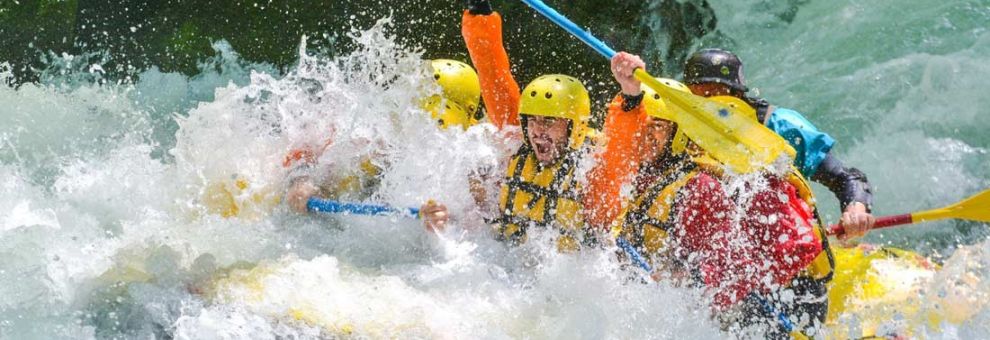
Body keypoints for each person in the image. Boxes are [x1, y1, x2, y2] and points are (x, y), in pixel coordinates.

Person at [594, 52, 835, 338]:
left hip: (786, 299)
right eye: (699, 96)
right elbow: (616, 151)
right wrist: (630, 94)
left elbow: (742, 266)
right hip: (729, 296)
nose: (706, 103)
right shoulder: (653, 172)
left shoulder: (712, 178)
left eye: (656, 127)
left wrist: (688, 279)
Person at [420, 0, 603, 251]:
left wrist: (631, 97)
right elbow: (494, 76)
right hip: (503, 265)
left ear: (575, 127)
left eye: (549, 121)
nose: (538, 129)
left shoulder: (595, 165)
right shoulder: (516, 143)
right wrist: (442, 222)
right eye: (533, 120)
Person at [683, 48, 875, 243]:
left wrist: (856, 209)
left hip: (781, 241)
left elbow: (846, 178)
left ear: (737, 94)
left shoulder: (780, 126)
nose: (707, 105)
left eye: (714, 93)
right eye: (697, 97)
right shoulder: (678, 124)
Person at [284, 58, 484, 213]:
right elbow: (316, 162)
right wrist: (301, 183)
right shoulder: (380, 143)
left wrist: (443, 223)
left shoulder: (479, 156)